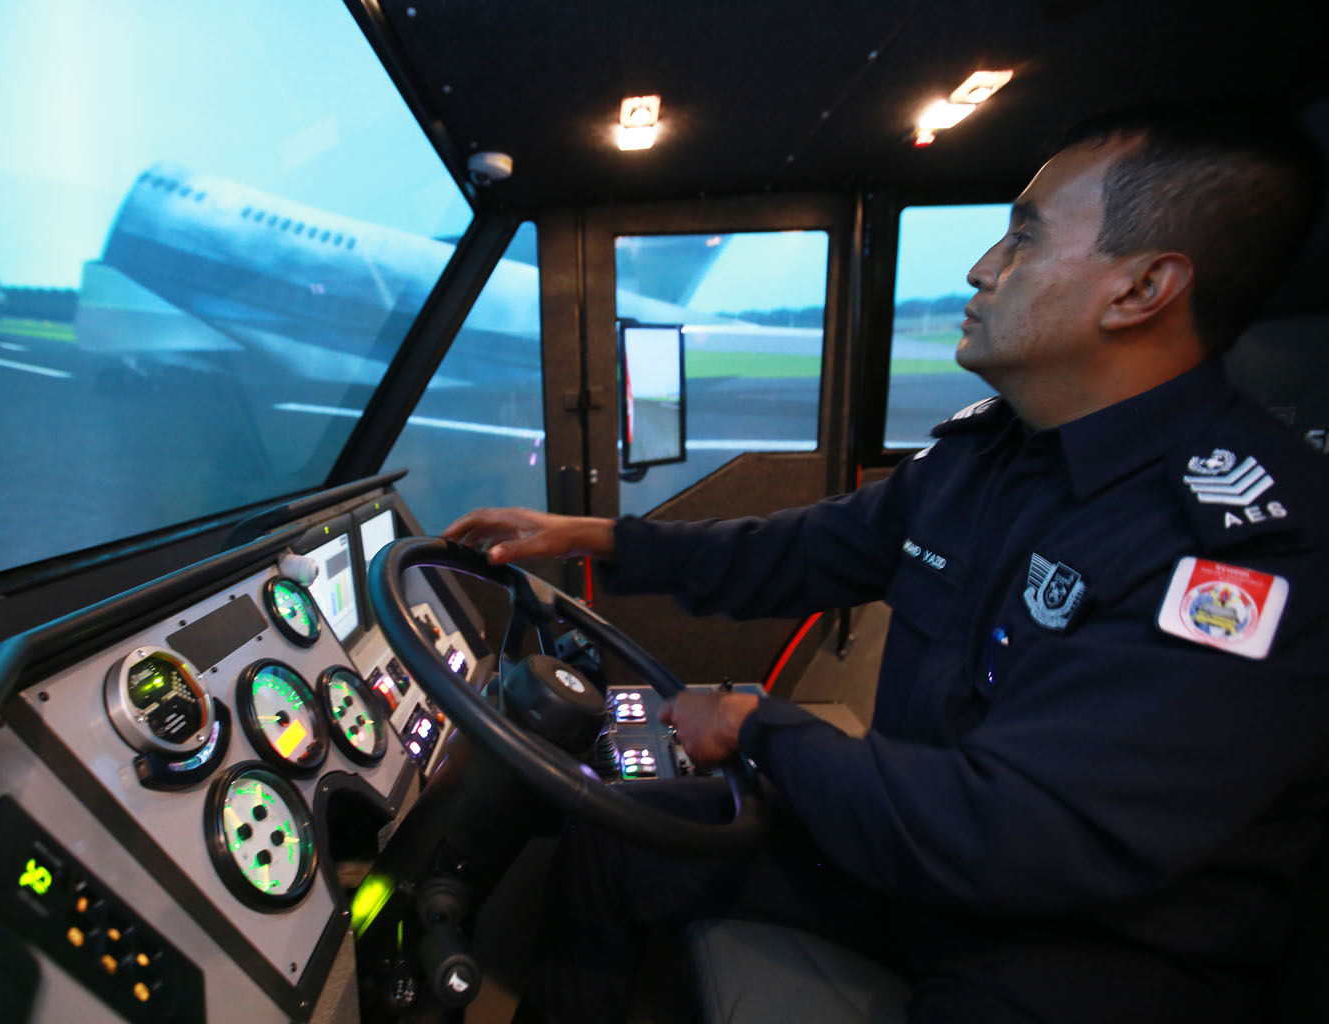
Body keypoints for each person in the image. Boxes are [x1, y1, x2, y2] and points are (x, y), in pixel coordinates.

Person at [443, 104, 1329, 1024]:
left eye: (1023, 239)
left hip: (1091, 942)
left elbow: (1018, 832)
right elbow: (797, 552)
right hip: (922, 859)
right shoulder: (987, 456)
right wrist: (596, 538)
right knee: (628, 838)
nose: (984, 269)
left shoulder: (1247, 546)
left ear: (1142, 289)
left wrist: (759, 727)